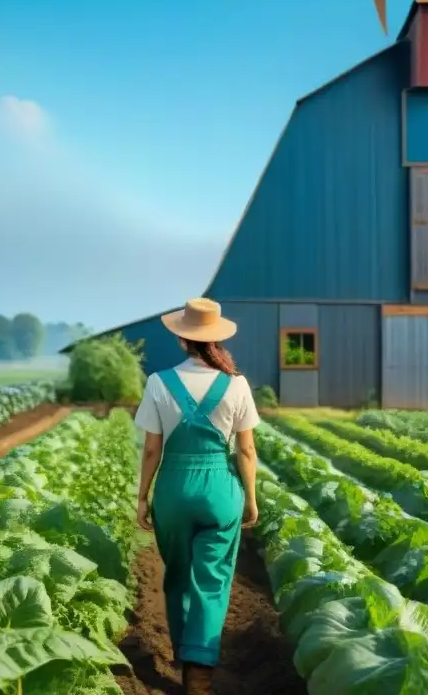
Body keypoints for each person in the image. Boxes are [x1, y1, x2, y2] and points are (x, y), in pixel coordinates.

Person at [133, 297, 261, 695]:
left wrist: (142, 497)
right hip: (221, 489)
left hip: (174, 489)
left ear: (182, 339)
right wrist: (251, 499)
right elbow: (247, 451)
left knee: (178, 576)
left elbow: (152, 449)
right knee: (213, 580)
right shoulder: (236, 384)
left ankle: (182, 650)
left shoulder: (158, 382)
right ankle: (199, 672)